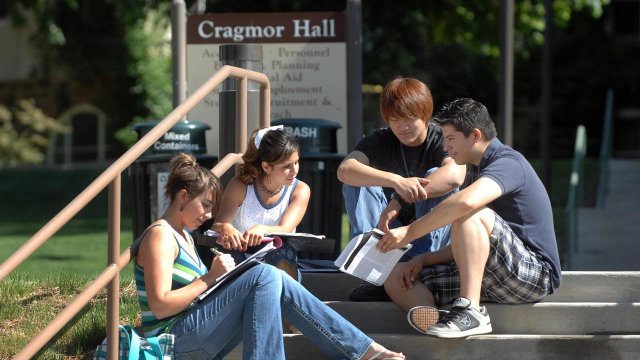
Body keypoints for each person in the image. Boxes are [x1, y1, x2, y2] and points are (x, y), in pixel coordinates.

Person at [134, 152, 405, 359]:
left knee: (271, 277)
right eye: (204, 206)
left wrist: (220, 279)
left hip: (193, 334)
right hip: (173, 344)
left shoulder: (183, 235)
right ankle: (364, 351)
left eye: (210, 208)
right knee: (264, 274)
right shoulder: (160, 235)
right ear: (182, 196)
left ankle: (364, 350)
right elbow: (160, 306)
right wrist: (210, 279)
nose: (207, 215)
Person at [378, 98, 562, 338]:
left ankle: (470, 311)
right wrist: (424, 259)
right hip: (492, 274)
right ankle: (436, 321)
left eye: (451, 138)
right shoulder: (477, 171)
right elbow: (472, 242)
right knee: (396, 274)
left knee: (469, 211)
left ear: (475, 135)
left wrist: (409, 232)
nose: (445, 147)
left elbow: (466, 206)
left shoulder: (508, 162)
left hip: (532, 275)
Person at [337, 76, 467, 301]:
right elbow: (345, 170)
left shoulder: (440, 138)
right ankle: (374, 267)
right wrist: (396, 180)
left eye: (410, 119)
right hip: (388, 234)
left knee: (433, 175)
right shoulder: (382, 139)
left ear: (425, 115)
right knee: (356, 182)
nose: (402, 127)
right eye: (395, 119)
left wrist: (400, 198)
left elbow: (455, 175)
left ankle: (413, 269)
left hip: (429, 237)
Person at [210, 125, 310, 282]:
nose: (294, 170)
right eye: (286, 166)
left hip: (279, 262)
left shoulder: (300, 190)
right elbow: (217, 224)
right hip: (241, 255)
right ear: (266, 167)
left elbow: (285, 229)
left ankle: (287, 300)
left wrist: (262, 229)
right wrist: (226, 227)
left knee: (281, 251)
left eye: (296, 163)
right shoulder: (240, 186)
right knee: (229, 253)